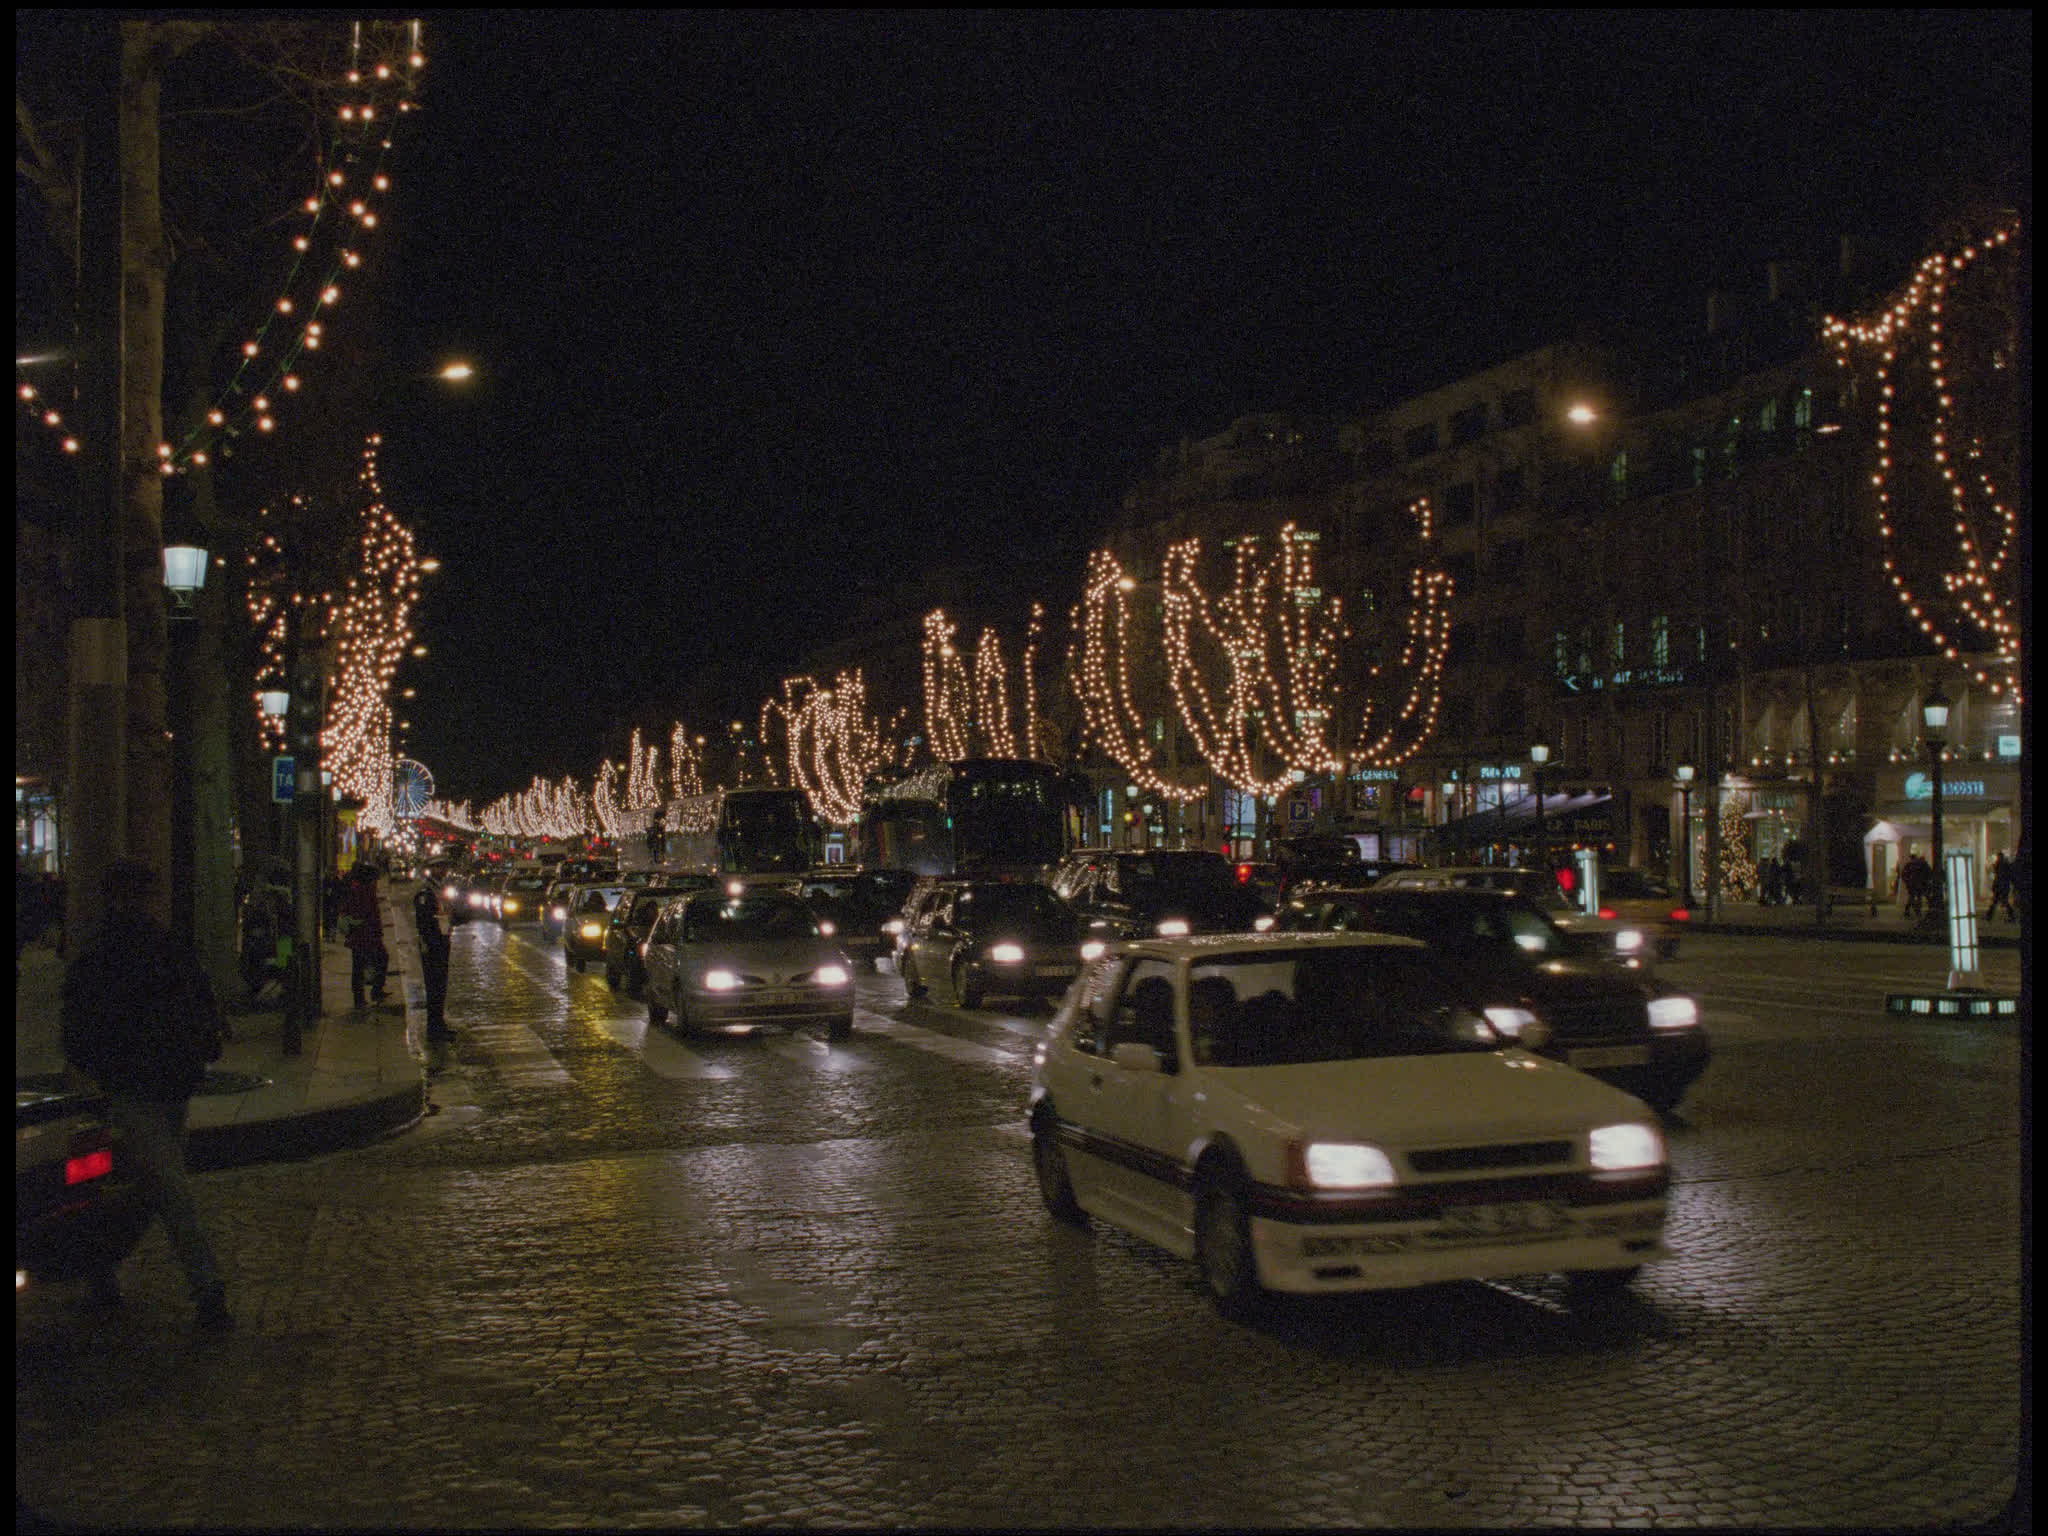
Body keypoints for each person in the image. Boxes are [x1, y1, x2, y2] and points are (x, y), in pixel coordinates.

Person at [59, 859, 232, 1332]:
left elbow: (80, 1023)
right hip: (147, 1084)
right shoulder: (142, 950)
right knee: (165, 1185)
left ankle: (102, 1274)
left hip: (149, 1082)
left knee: (149, 1184)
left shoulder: (117, 952)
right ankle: (206, 1287)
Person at [338, 863, 390, 1008]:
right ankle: (368, 994)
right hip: (365, 935)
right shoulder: (362, 891)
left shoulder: (359, 889)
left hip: (363, 935)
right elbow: (366, 914)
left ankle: (365, 995)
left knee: (360, 966)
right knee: (372, 962)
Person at [411, 878, 454, 1044]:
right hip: (432, 945)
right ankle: (434, 1029)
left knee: (440, 987)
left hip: (440, 942)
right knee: (434, 988)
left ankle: (439, 1025)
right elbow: (424, 921)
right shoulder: (425, 894)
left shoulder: (438, 891)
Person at [1986, 851, 2016, 921]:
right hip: (2004, 886)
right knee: (2001, 901)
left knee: (1997, 901)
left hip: (2000, 886)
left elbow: (1996, 873)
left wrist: (1994, 887)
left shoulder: (2000, 864)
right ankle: (2011, 915)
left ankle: (1989, 916)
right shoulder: (2006, 864)